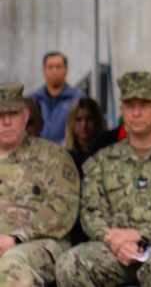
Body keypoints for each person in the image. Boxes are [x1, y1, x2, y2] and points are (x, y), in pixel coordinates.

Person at [55, 72, 151, 287]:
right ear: (122, 110)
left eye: (145, 104)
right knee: (70, 263)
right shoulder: (102, 160)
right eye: (130, 105)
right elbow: (91, 214)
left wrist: (140, 235)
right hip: (113, 249)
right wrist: (114, 239)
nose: (136, 112)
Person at [0, 83, 80, 287]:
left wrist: (16, 238)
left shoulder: (52, 156)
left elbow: (63, 208)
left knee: (12, 265)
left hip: (37, 244)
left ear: (25, 115)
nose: (6, 121)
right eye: (0, 115)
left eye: (13, 114)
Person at [27, 51, 86, 144]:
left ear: (66, 70)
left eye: (58, 67)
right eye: (50, 67)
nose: (54, 72)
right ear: (44, 71)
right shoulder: (32, 100)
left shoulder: (78, 100)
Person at [64, 96, 102, 174]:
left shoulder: (108, 151)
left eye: (89, 119)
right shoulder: (64, 157)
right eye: (78, 120)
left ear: (97, 121)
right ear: (71, 123)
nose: (83, 125)